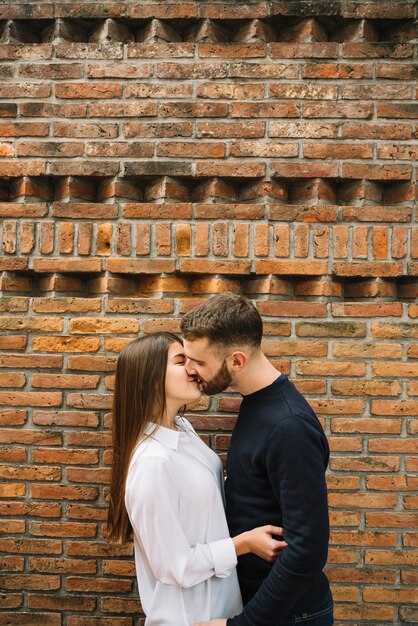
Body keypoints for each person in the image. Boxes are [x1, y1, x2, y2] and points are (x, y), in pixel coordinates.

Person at [107, 332, 287, 626]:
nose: (192, 369)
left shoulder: (183, 429)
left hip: (222, 607)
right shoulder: (153, 462)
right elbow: (174, 566)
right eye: (180, 361)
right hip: (189, 617)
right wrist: (244, 543)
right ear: (150, 379)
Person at [180, 294, 333, 626]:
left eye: (199, 362)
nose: (190, 370)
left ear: (236, 361)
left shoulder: (289, 426)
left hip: (292, 616)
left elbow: (307, 550)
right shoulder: (257, 402)